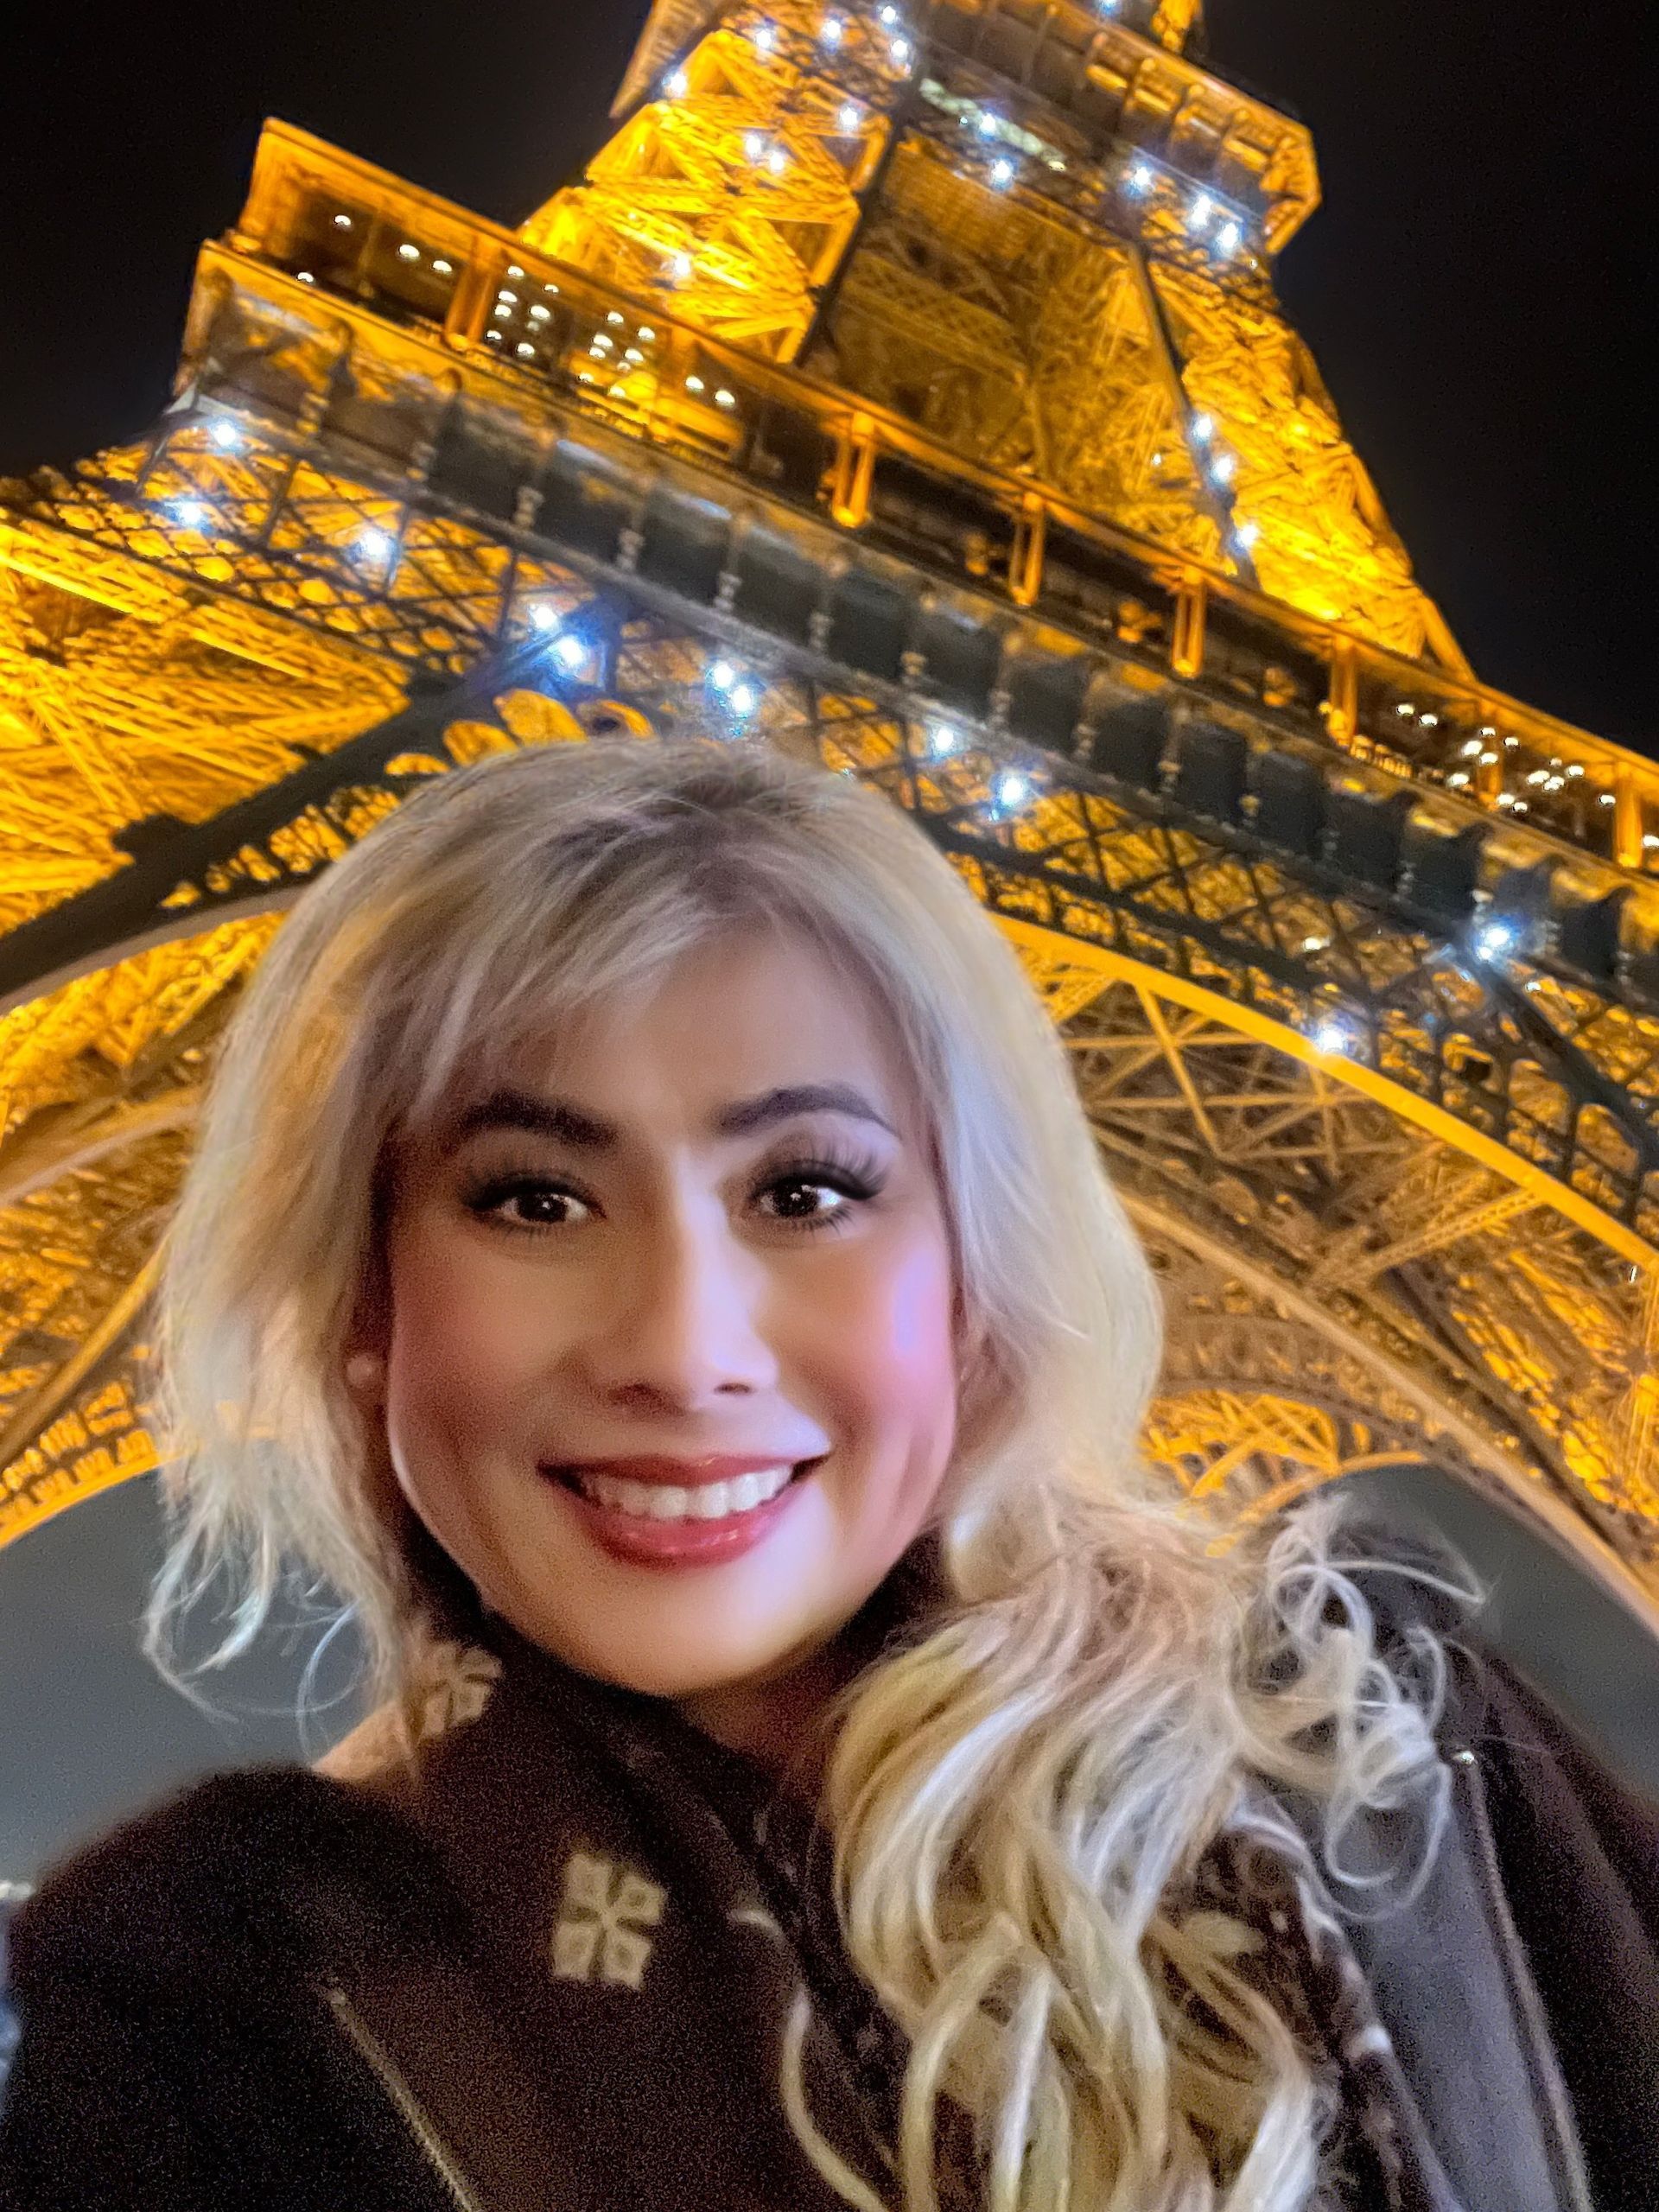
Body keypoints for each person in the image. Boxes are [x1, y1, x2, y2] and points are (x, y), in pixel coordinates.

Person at [0, 733, 1655, 2212]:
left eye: (804, 1192)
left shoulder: (1404, 1750)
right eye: (533, 1199)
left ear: (977, 1277)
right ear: (369, 1301)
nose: (683, 1347)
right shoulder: (200, 2015)